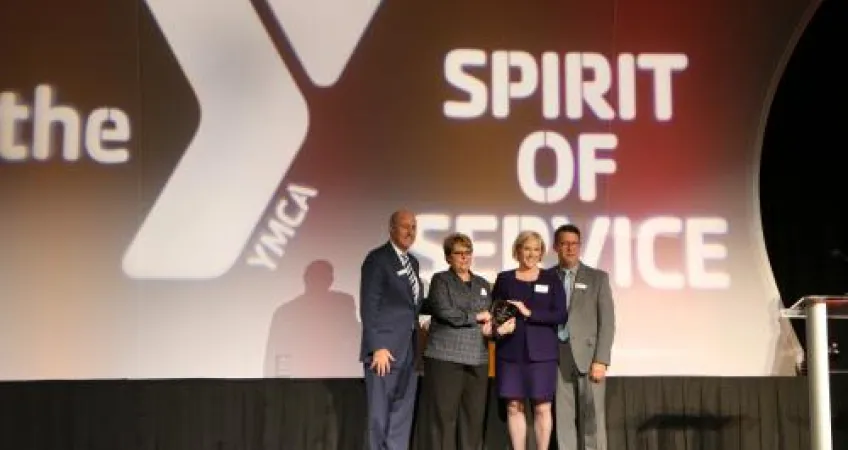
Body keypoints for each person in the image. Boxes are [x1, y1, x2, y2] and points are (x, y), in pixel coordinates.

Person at [421, 232, 513, 450]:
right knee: (444, 419)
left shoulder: (482, 283)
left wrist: (499, 329)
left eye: (468, 253)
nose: (464, 257)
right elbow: (445, 312)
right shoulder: (440, 280)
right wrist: (476, 317)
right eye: (458, 253)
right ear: (448, 257)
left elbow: (491, 317)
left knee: (473, 419)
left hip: (477, 358)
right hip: (445, 357)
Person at [492, 230, 567, 450]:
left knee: (543, 407)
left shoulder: (551, 280)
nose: (531, 254)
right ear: (517, 250)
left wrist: (529, 313)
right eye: (527, 248)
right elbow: (495, 311)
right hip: (510, 352)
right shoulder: (505, 278)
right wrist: (499, 327)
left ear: (542, 253)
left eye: (536, 249)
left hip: (542, 355)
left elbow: (561, 315)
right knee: (514, 406)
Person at [360, 209, 424, 450]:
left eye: (414, 227)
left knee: (401, 415)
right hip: (384, 351)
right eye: (405, 226)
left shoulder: (413, 262)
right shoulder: (377, 259)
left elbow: (410, 305)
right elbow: (369, 306)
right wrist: (377, 346)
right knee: (379, 415)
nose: (410, 232)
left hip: (410, 350)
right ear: (392, 228)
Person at [551, 224, 615, 450]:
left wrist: (601, 359)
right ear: (555, 247)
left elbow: (607, 323)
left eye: (574, 243)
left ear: (580, 246)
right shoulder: (546, 277)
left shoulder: (598, 278)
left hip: (589, 357)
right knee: (563, 418)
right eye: (564, 243)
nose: (570, 248)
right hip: (556, 355)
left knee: (592, 420)